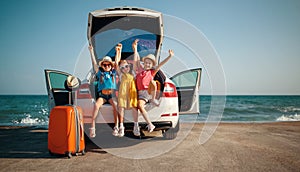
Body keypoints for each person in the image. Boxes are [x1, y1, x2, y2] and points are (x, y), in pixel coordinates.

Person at [134, 39, 174, 132]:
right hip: (140, 94)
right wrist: (135, 49)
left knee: (153, 82)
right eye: (146, 63)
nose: (147, 64)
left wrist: (170, 56)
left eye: (149, 63)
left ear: (152, 65)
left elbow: (160, 64)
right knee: (140, 105)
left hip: (149, 92)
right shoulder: (139, 71)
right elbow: (136, 60)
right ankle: (150, 124)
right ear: (143, 63)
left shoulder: (152, 72)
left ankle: (153, 100)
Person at [88, 45, 119, 137]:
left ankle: (116, 126)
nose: (107, 66)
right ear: (102, 65)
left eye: (109, 65)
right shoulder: (100, 73)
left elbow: (117, 62)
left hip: (111, 95)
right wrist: (91, 51)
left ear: (111, 66)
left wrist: (117, 51)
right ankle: (93, 127)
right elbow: (94, 63)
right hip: (102, 96)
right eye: (105, 65)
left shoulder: (113, 72)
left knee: (116, 106)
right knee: (96, 106)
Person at [115, 43, 140, 137]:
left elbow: (135, 60)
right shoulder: (121, 75)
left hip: (131, 93)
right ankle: (121, 127)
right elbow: (117, 62)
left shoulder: (133, 73)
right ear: (120, 69)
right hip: (123, 93)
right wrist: (119, 51)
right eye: (123, 67)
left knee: (134, 107)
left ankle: (136, 125)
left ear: (129, 67)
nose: (125, 68)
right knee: (120, 107)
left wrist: (135, 49)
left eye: (126, 66)